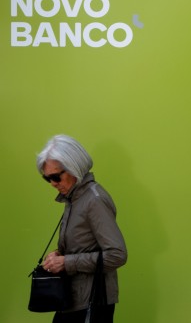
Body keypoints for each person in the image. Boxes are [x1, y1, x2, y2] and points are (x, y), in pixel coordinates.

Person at [38, 135, 127, 323]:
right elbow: (83, 243)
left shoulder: (94, 200)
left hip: (92, 302)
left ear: (74, 168)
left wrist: (66, 262)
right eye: (47, 179)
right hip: (71, 298)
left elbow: (117, 254)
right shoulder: (74, 198)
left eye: (56, 176)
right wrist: (57, 255)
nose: (53, 183)